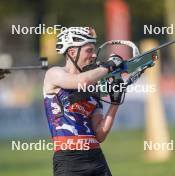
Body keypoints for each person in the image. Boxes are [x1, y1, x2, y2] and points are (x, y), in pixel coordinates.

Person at [43, 27, 124, 176]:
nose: (93, 55)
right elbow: (82, 80)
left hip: (97, 159)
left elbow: (100, 134)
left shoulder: (94, 85)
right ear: (72, 52)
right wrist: (109, 66)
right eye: (89, 50)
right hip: (69, 161)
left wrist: (115, 103)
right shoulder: (54, 73)